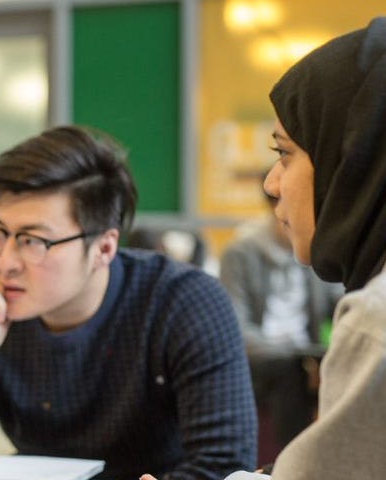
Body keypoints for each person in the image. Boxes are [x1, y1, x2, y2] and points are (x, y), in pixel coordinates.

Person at [0, 126, 257, 479]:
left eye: (32, 240)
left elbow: (224, 467)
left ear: (104, 248)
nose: (4, 262)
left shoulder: (183, 304)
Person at [152, 16, 386, 480]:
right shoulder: (250, 255)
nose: (271, 183)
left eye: (285, 154)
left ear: (351, 164)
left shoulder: (375, 324)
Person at [218, 190, 342, 454]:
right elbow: (235, 331)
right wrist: (296, 352)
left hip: (303, 355)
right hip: (260, 360)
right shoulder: (240, 254)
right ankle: (292, 459)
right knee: (291, 370)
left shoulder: (313, 254)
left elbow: (340, 303)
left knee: (344, 365)